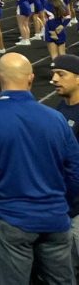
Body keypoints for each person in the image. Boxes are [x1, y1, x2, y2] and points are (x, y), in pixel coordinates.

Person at [0, 52, 79, 284]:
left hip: (11, 217)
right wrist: (64, 204)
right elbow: (74, 170)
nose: (55, 79)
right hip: (56, 218)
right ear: (31, 78)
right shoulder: (55, 117)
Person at [49, 54, 79, 271]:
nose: (54, 79)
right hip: (62, 202)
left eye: (61, 74)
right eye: (53, 74)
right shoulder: (60, 108)